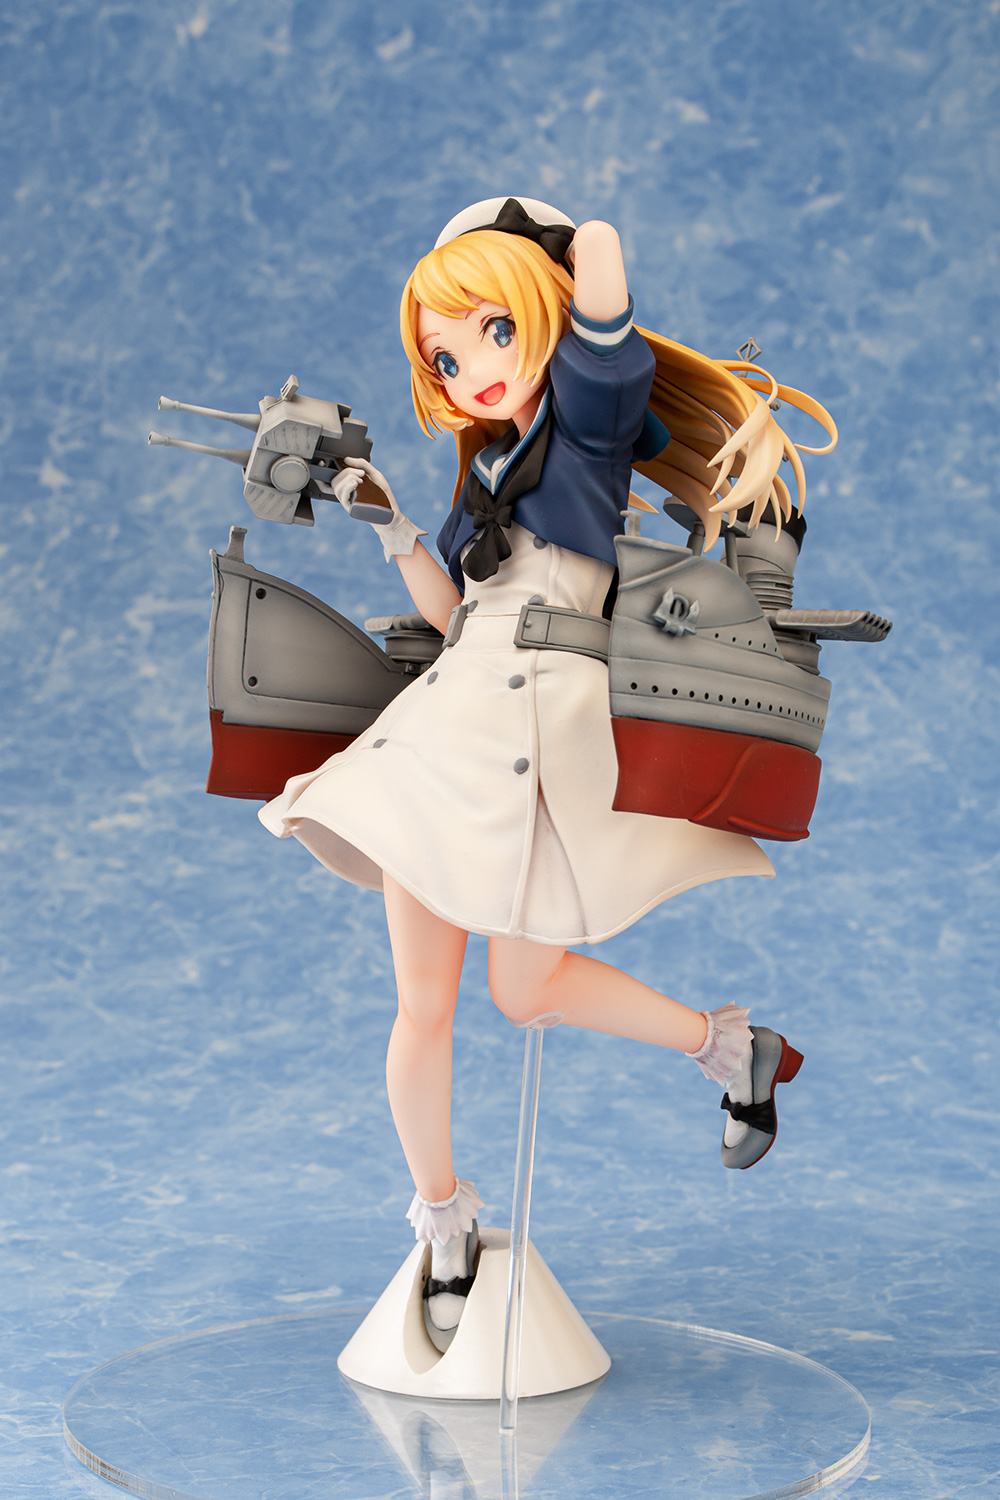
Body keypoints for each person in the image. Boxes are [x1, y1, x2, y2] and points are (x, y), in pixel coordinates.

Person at [259, 197, 826, 1348]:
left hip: (536, 730)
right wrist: (394, 528)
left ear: (545, 315)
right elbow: (456, 616)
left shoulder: (590, 430)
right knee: (423, 1005)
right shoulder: (486, 473)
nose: (472, 369)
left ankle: (728, 1047)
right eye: (444, 356)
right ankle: (442, 1219)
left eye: (495, 331)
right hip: (451, 724)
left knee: (524, 990)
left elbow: (605, 273)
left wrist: (539, 244)